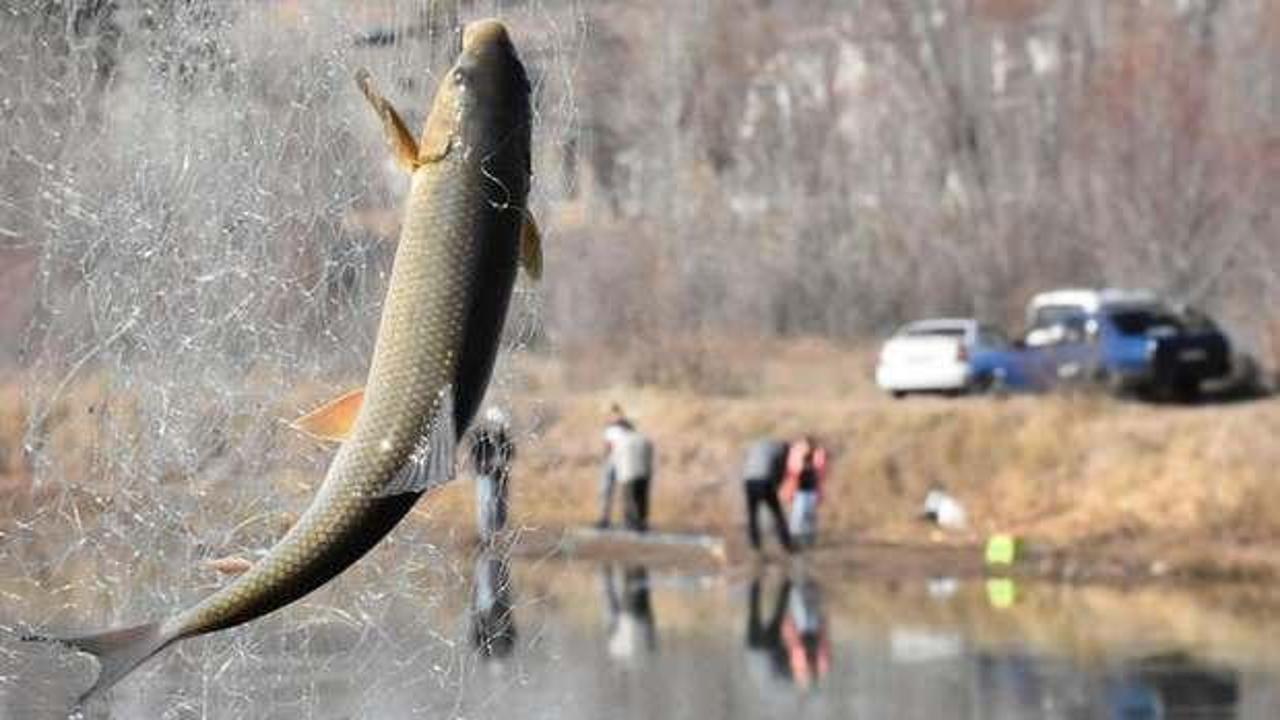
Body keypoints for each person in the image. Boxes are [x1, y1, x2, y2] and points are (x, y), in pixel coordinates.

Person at [470, 406, 515, 544]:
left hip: (500, 477)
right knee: (485, 505)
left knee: (500, 505)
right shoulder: (480, 437)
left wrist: (501, 462)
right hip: (484, 476)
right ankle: (485, 536)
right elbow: (475, 454)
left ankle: (498, 534)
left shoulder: (503, 437)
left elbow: (511, 454)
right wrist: (487, 463)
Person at [741, 439, 794, 554]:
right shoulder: (782, 450)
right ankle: (787, 545)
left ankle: (755, 546)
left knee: (752, 515)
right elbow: (781, 470)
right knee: (777, 514)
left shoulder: (760, 446)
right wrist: (778, 485)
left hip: (749, 481)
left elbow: (748, 461)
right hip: (764, 481)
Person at [781, 436, 829, 548]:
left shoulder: (817, 456)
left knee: (810, 515)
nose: (807, 447)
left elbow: (821, 473)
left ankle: (809, 538)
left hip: (812, 491)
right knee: (798, 515)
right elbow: (792, 472)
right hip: (800, 491)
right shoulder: (797, 456)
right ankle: (795, 538)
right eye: (805, 445)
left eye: (808, 445)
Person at [596, 403, 634, 529]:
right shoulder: (608, 428)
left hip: (623, 460)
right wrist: (604, 458)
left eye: (616, 414)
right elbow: (606, 444)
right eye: (612, 414)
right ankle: (604, 519)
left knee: (625, 491)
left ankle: (628, 520)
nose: (614, 417)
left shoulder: (627, 426)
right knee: (605, 490)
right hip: (610, 460)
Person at [612, 425, 654, 532]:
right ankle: (642, 522)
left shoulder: (621, 441)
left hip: (627, 473)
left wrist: (618, 473)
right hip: (643, 473)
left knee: (628, 499)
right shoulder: (645, 439)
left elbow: (616, 457)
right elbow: (650, 455)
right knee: (642, 499)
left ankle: (630, 522)